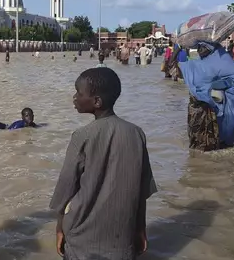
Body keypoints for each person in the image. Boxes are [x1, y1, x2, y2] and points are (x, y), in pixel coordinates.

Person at [50, 67, 157, 259]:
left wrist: (60, 228)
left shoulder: (82, 136)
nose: (74, 97)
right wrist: (140, 227)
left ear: (97, 101)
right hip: (122, 239)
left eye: (79, 93)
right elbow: (141, 191)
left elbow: (65, 191)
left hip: (81, 239)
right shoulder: (136, 133)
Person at [180, 42, 234, 150]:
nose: (201, 50)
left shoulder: (219, 58)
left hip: (215, 101)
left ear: (210, 48)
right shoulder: (198, 61)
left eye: (204, 48)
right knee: (198, 135)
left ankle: (212, 154)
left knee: (212, 133)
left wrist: (215, 87)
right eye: (199, 48)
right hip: (198, 104)